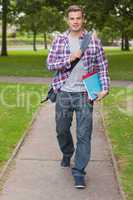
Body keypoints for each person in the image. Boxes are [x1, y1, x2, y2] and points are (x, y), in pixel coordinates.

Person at [47, 5, 110, 189]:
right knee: (62, 129)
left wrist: (105, 88)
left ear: (84, 20)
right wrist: (69, 59)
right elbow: (50, 64)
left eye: (78, 18)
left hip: (85, 94)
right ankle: (67, 153)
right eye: (72, 18)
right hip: (64, 93)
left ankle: (79, 171)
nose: (75, 21)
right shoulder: (60, 40)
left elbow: (102, 65)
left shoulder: (93, 42)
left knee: (84, 134)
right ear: (68, 20)